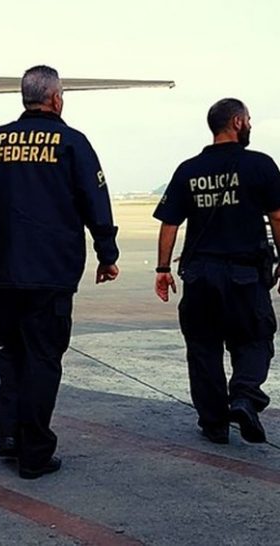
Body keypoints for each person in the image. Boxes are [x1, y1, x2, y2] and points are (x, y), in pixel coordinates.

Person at [0, 65, 119, 479]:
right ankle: (35, 451)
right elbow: (94, 200)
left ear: (24, 97)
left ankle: (10, 436)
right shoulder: (72, 143)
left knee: (13, 355)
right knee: (44, 359)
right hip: (52, 274)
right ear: (57, 98)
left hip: (6, 273)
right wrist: (106, 251)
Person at [153, 98, 280, 445]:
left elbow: (169, 224)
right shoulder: (260, 165)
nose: (251, 124)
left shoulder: (188, 169)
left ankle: (214, 424)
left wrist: (163, 268)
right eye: (249, 119)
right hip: (245, 274)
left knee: (203, 348)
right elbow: (278, 216)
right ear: (238, 122)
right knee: (255, 338)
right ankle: (243, 396)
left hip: (200, 275)